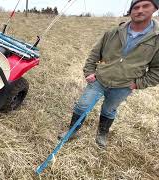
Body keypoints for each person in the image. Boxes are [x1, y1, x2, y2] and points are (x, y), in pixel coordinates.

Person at [58, 0, 159, 148]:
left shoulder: (156, 39)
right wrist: (89, 72)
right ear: (131, 11)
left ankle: (102, 133)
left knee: (109, 110)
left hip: (124, 85)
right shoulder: (113, 32)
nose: (140, 10)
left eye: (145, 6)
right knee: (82, 105)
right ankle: (72, 131)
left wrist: (137, 83)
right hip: (99, 80)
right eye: (136, 7)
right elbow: (95, 53)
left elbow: (157, 70)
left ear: (155, 9)